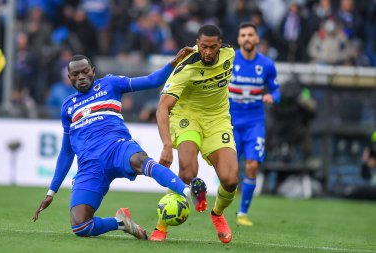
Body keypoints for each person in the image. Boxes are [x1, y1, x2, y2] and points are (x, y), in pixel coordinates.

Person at [32, 47, 208, 240]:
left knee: (141, 160)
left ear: (93, 71)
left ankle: (187, 191)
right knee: (80, 226)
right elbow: (67, 151)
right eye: (75, 74)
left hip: (117, 147)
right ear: (69, 77)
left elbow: (153, 81)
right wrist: (52, 191)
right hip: (90, 165)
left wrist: (173, 63)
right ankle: (120, 222)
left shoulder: (110, 84)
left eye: (85, 71)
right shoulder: (68, 106)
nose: (81, 76)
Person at [152, 24, 238, 244]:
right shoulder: (186, 66)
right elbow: (163, 107)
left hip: (218, 119)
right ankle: (161, 224)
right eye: (204, 47)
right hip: (187, 117)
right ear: (197, 44)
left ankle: (217, 214)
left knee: (230, 179)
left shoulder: (230, 54)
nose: (208, 52)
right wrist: (166, 144)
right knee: (188, 172)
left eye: (213, 47)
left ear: (220, 45)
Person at [229, 22, 280, 226]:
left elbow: (276, 90)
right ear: (239, 39)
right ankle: (219, 209)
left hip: (254, 123)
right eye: (243, 35)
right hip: (230, 122)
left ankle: (242, 213)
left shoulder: (267, 65)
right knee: (230, 173)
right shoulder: (230, 60)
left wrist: (272, 97)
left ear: (257, 39)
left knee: (251, 166)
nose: (247, 38)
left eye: (251, 34)